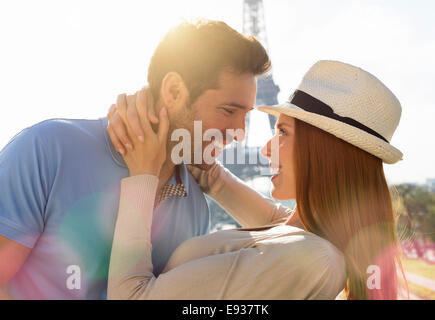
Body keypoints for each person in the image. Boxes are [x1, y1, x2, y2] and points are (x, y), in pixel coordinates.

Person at [0, 20, 270, 299]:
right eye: (228, 110)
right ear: (174, 91)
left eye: (246, 115)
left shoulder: (196, 207)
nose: (240, 134)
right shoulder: (46, 149)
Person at [106, 60, 408, 300]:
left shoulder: (311, 258)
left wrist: (143, 174)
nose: (266, 148)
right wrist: (147, 118)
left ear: (327, 153)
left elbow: (129, 297)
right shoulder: (298, 233)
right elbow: (213, 178)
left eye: (284, 133)